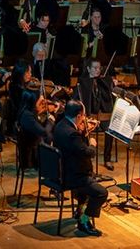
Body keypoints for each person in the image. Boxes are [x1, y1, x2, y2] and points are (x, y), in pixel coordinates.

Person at [53, 100, 108, 236]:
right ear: (78, 116)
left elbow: (75, 148)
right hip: (72, 177)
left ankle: (79, 210)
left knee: (90, 176)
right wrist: (93, 144)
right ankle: (84, 221)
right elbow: (88, 152)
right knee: (101, 193)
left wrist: (83, 133)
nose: (84, 119)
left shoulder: (60, 125)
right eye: (83, 116)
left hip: (60, 171)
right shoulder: (72, 134)